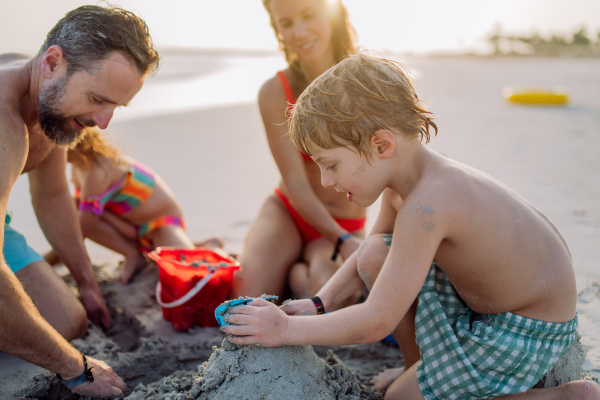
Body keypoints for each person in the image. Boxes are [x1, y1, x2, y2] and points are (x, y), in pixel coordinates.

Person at [221, 53, 600, 400]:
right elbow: (365, 255)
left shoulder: (428, 203)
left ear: (382, 145)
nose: (325, 181)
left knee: (400, 399)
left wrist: (284, 331)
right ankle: (416, 370)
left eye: (331, 164)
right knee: (373, 254)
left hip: (524, 330)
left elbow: (375, 323)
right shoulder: (407, 181)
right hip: (493, 306)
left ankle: (560, 397)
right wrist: (317, 305)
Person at [0, 5, 159, 397]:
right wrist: (77, 368)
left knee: (68, 319)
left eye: (115, 107)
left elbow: (52, 195)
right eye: (97, 99)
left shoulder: (46, 96)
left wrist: (86, 281)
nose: (103, 122)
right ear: (53, 62)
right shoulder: (5, 127)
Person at [231, 0, 366, 304]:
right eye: (287, 23)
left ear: (332, 13)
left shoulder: (364, 83)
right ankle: (282, 265)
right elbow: (296, 184)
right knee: (247, 297)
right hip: (289, 211)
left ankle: (295, 272)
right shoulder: (274, 92)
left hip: (343, 222)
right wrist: (344, 242)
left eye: (308, 16)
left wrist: (349, 239)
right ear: (276, 28)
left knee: (328, 298)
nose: (300, 31)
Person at [44, 128, 224, 283]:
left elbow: (81, 230)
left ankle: (208, 247)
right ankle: (133, 254)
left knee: (184, 265)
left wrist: (48, 260)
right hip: (132, 227)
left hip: (161, 224)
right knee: (77, 208)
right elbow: (84, 219)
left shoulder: (98, 170)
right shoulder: (77, 169)